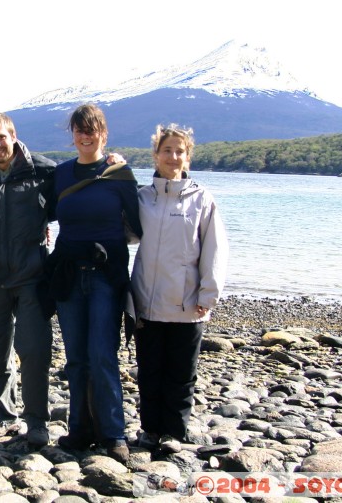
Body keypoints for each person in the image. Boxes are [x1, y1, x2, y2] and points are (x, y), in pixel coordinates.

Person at [46, 103, 142, 463]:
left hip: (106, 276)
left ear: (104, 133)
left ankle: (113, 434)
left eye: (92, 130)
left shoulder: (119, 174)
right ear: (72, 135)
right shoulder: (60, 174)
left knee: (102, 355)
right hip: (69, 274)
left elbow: (142, 224)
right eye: (79, 130)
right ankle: (79, 430)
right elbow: (35, 203)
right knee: (76, 359)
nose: (86, 136)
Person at [130, 124, 228, 453]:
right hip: (147, 299)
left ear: (188, 157)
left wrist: (208, 293)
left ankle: (173, 431)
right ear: (156, 155)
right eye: (167, 150)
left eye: (180, 151)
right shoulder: (143, 197)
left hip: (187, 302)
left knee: (181, 374)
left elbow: (215, 248)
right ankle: (149, 429)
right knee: (149, 371)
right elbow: (124, 234)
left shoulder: (202, 199)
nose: (173, 156)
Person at [0, 112, 56, 447]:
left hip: (31, 276)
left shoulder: (44, 171)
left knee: (33, 350)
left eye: (1, 137)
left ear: (13, 135)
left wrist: (111, 163)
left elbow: (74, 197)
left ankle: (37, 421)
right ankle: (4, 417)